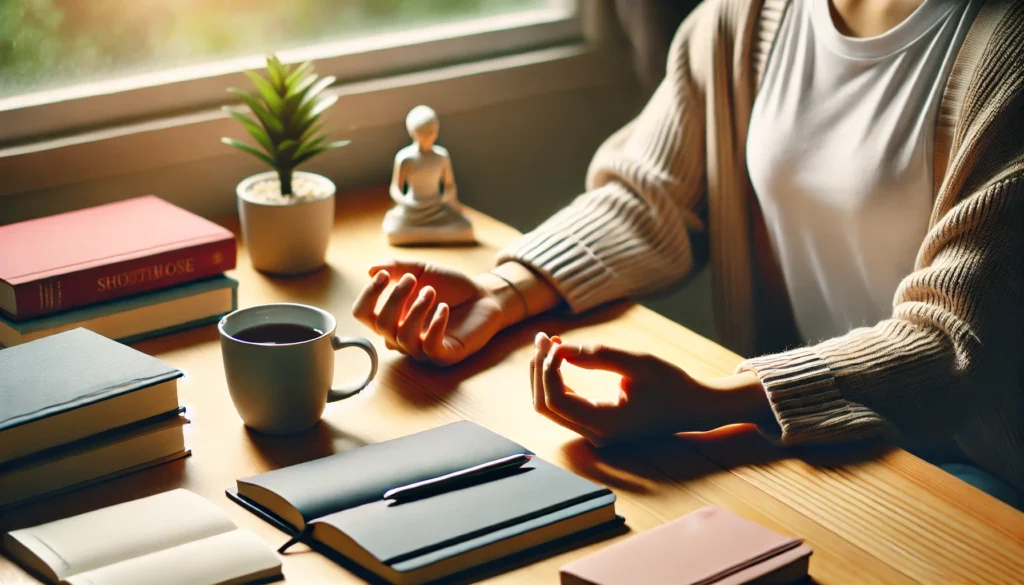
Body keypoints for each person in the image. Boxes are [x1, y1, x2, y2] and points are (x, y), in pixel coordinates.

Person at [353, 0, 1023, 508]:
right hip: (804, 439)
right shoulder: (746, 18)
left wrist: (712, 400)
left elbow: (958, 341)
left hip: (973, 469)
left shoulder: (1006, 50)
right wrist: (504, 291)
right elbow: (652, 198)